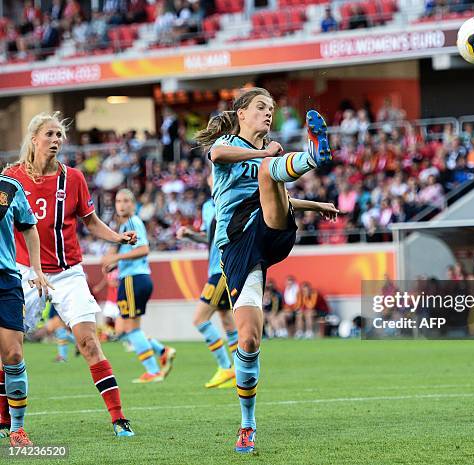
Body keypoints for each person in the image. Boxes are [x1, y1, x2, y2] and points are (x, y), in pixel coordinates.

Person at [196, 87, 338, 453]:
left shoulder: (266, 155)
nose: (267, 113)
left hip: (271, 228)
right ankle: (247, 424)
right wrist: (264, 153)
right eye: (260, 107)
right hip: (239, 244)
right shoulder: (230, 143)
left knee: (267, 175)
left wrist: (313, 204)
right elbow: (217, 152)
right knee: (249, 340)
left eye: (271, 108)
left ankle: (312, 155)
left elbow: (276, 189)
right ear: (241, 113)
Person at [3, 112, 136, 437]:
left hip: (67, 273)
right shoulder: (11, 177)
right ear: (34, 138)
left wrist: (116, 237)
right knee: (9, 350)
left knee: (89, 341)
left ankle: (119, 419)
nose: (56, 140)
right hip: (23, 273)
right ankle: (7, 421)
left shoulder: (73, 177)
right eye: (50, 134)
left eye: (60, 135)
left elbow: (90, 221)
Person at [101, 189, 176, 384]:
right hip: (134, 277)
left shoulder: (133, 222)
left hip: (133, 278)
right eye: (118, 201)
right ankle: (162, 351)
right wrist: (115, 262)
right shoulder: (125, 226)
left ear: (133, 204)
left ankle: (153, 370)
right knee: (125, 329)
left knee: (131, 329)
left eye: (126, 200)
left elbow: (143, 249)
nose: (122, 204)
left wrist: (116, 257)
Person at [0, 172, 50, 446]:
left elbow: (29, 226)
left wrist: (37, 270)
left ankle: (17, 429)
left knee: (14, 353)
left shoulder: (10, 187)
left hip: (6, 280)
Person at [176, 178, 238, 389]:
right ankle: (241, 372)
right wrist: (191, 235)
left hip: (222, 270)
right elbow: (210, 238)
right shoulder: (208, 206)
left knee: (200, 319)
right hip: (214, 268)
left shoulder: (231, 200)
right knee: (227, 320)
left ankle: (226, 367)